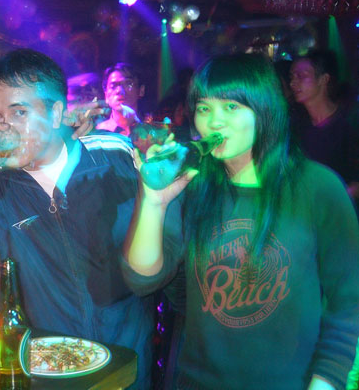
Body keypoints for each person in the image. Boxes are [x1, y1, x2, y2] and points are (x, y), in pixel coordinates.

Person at [124, 54, 359, 390]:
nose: (214, 122)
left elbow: (348, 300)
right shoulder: (192, 186)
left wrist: (325, 382)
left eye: (231, 107)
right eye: (204, 108)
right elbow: (143, 280)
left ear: (265, 110)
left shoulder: (318, 187)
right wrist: (152, 202)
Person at [0, 48, 155, 388]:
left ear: (56, 114)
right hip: (50, 367)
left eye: (19, 112)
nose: (5, 127)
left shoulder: (114, 155)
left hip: (127, 362)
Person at [289, 49, 359, 202]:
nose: (293, 83)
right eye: (292, 77)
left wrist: (339, 196)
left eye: (301, 76)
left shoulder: (350, 123)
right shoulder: (295, 125)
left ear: (323, 79)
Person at [96, 62, 145, 136]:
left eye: (128, 84)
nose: (119, 90)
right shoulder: (97, 134)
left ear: (141, 90)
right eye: (113, 86)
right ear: (106, 95)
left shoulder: (153, 132)